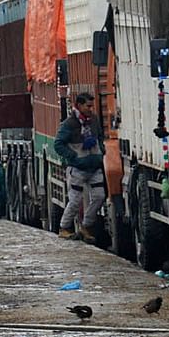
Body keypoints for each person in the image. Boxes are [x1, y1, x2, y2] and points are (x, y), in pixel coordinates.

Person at [55, 91, 106, 243]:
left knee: (99, 196)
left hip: (94, 167)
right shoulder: (69, 124)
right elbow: (58, 144)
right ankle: (64, 227)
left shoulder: (94, 120)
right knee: (75, 201)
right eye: (88, 106)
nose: (91, 109)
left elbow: (100, 136)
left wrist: (101, 150)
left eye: (92, 106)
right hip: (77, 168)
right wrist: (73, 156)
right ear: (79, 105)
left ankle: (86, 225)